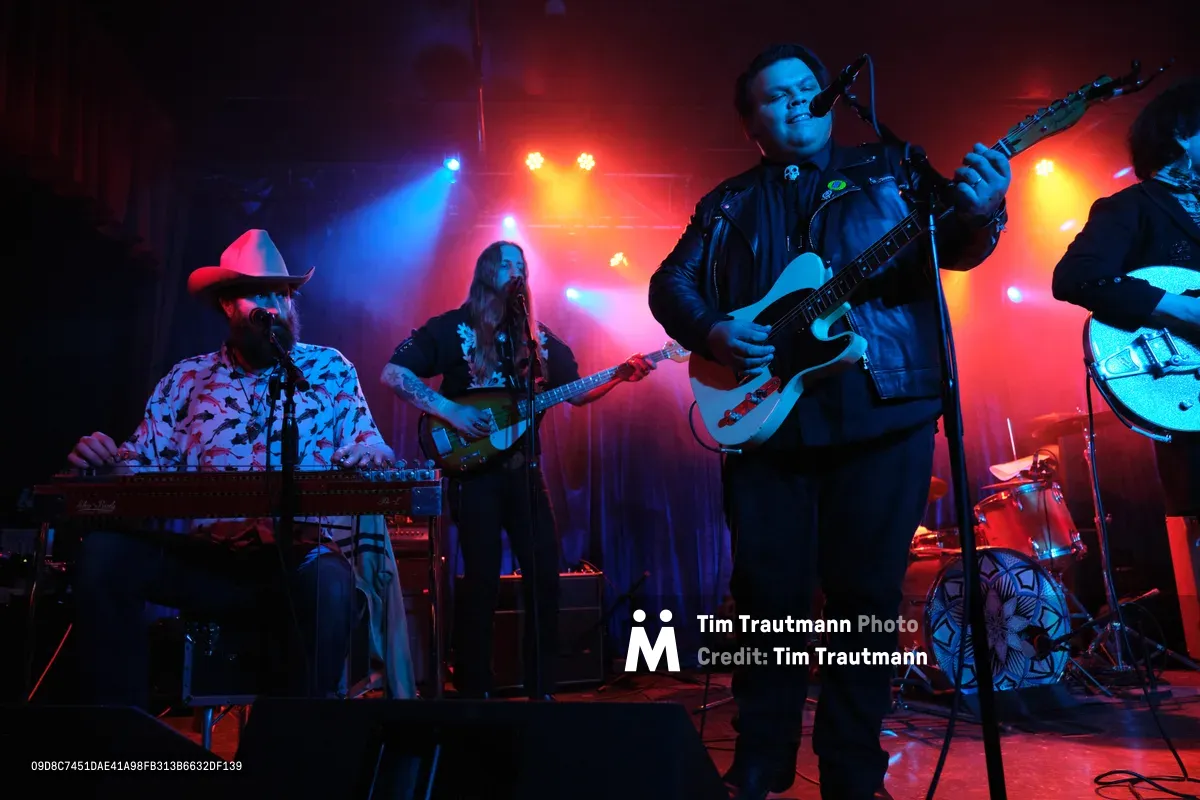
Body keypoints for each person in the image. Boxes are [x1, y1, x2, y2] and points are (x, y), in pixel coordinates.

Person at [647, 45, 1011, 800]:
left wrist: (981, 209)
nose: (797, 102)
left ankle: (852, 770)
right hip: (766, 420)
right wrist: (714, 331)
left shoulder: (893, 170)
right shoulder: (726, 203)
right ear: (753, 122)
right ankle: (761, 760)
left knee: (866, 599)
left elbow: (964, 247)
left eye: (808, 89)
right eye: (776, 96)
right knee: (768, 599)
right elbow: (669, 284)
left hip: (884, 410)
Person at [67, 229, 400, 709]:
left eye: (282, 294)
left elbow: (370, 444)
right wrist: (101, 459)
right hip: (208, 562)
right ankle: (122, 743)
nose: (276, 307)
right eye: (259, 295)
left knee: (332, 586)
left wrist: (377, 455)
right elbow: (136, 462)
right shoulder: (187, 378)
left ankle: (290, 752)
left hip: (298, 560)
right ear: (228, 306)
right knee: (104, 555)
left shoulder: (330, 370)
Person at [382, 240, 654, 700]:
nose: (516, 272)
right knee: (482, 581)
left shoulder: (538, 339)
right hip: (474, 476)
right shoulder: (451, 328)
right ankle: (475, 690)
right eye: (506, 264)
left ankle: (541, 689)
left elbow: (576, 393)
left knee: (545, 579)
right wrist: (452, 411)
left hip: (526, 472)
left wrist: (618, 376)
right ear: (486, 271)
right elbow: (394, 374)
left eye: (521, 266)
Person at [1053, 78, 1200, 516]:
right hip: (1183, 389)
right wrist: (1185, 308)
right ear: (1181, 135)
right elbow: (1076, 276)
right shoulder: (1131, 208)